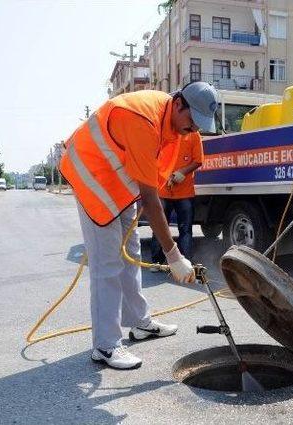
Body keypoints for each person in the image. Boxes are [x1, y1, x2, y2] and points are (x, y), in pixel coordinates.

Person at [60, 82, 219, 369]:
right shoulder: (143, 120)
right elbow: (150, 198)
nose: (193, 130)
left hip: (116, 184)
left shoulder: (167, 118)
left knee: (130, 254)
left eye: (199, 126)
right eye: (192, 122)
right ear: (179, 103)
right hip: (92, 180)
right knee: (107, 264)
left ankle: (139, 323)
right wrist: (174, 255)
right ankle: (106, 346)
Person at [150, 130, 204, 265]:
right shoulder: (162, 132)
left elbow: (198, 160)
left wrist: (182, 172)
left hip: (185, 192)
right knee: (159, 227)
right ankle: (157, 262)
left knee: (185, 229)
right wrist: (165, 176)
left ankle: (185, 263)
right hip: (163, 190)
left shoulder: (193, 134)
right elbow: (153, 158)